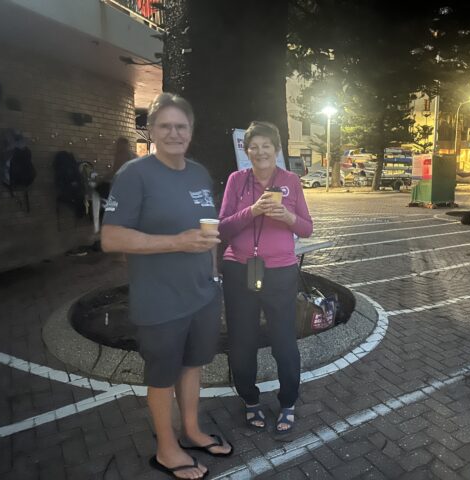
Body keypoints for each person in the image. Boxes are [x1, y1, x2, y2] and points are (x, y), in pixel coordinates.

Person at [101, 93, 232, 480]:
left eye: (181, 126)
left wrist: (214, 275)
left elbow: (207, 232)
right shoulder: (135, 175)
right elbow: (111, 238)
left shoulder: (199, 173)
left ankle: (190, 431)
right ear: (152, 131)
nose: (174, 133)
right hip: (159, 301)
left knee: (192, 367)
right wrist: (176, 242)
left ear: (191, 130)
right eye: (165, 126)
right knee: (161, 376)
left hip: (202, 294)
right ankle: (166, 449)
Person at [218, 121, 313, 434]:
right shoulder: (237, 180)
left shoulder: (291, 181)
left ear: (276, 149)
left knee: (284, 342)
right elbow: (223, 228)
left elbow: (307, 228)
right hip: (239, 268)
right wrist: (253, 210)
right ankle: (250, 399)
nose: (260, 152)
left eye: (266, 146)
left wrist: (288, 216)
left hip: (280, 271)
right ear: (246, 151)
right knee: (242, 341)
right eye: (254, 147)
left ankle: (288, 402)